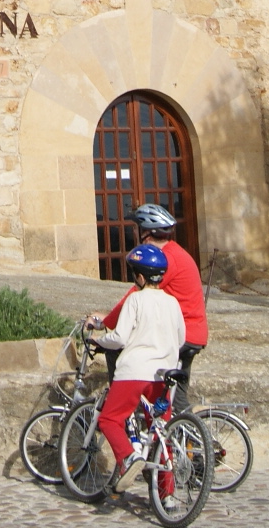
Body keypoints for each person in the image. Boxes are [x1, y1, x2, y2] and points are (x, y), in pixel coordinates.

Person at [86, 242, 187, 504]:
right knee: (160, 432)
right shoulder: (172, 302)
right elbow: (181, 338)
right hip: (163, 375)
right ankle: (168, 497)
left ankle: (129, 457)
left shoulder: (135, 299)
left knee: (109, 419)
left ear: (139, 277)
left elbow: (119, 338)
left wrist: (98, 339)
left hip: (134, 372)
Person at [99, 204, 208, 389]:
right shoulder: (173, 252)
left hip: (182, 334)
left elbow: (138, 294)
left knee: (116, 350)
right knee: (175, 403)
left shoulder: (164, 259)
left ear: (146, 234)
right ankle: (177, 417)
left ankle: (121, 402)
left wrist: (106, 322)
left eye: (138, 231)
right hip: (191, 332)